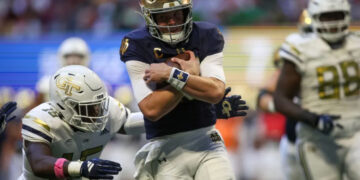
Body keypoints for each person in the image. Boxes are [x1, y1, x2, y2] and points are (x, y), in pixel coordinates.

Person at [19, 64, 247, 180]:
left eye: (98, 105)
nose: (97, 113)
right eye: (88, 108)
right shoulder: (41, 119)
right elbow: (39, 162)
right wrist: (83, 167)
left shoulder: (107, 111)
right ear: (62, 106)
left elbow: (147, 122)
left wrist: (202, 111)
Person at [120, 0, 248, 179]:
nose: (172, 22)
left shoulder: (206, 34)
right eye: (163, 17)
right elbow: (151, 109)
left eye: (176, 14)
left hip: (207, 140)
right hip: (166, 147)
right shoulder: (136, 43)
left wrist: (171, 75)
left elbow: (216, 92)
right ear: (150, 17)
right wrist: (190, 77)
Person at [274, 0, 360, 179]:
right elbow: (280, 99)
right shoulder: (300, 48)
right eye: (327, 16)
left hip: (356, 130)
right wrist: (313, 119)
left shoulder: (356, 44)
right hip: (318, 137)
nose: (333, 23)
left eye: (337, 16)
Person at [257, 9, 312, 180]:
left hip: (329, 140)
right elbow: (262, 97)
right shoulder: (292, 56)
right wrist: (281, 104)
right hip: (293, 141)